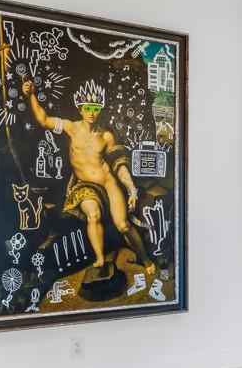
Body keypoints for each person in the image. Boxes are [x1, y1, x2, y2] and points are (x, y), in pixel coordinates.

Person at [23, 78, 150, 274]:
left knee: (123, 225)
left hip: (108, 183)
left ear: (100, 110)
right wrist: (31, 94)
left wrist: (131, 189)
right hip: (85, 186)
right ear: (80, 108)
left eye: (95, 108)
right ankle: (100, 258)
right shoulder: (70, 127)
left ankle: (146, 259)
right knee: (93, 214)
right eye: (87, 108)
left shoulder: (106, 136)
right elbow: (43, 120)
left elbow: (119, 164)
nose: (91, 113)